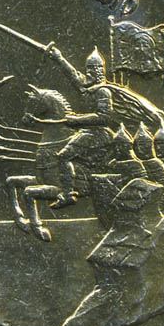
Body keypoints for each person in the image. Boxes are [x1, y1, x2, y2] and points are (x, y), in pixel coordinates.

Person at [47, 46, 114, 208]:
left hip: (99, 133)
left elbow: (104, 117)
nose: (88, 72)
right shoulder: (88, 88)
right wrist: (59, 57)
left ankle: (68, 194)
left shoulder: (103, 92)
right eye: (87, 69)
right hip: (87, 132)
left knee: (64, 156)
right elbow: (73, 75)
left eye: (92, 69)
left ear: (99, 71)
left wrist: (77, 120)